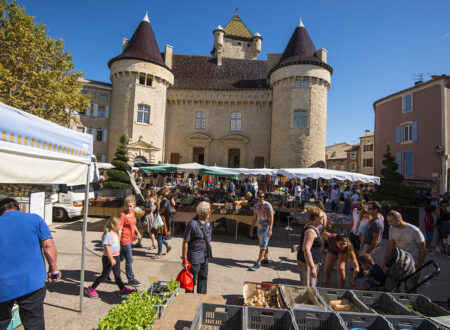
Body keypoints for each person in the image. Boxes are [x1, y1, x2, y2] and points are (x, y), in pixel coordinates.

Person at [0, 198, 61, 329]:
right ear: (19, 208)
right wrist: (53, 269)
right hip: (31, 282)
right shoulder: (34, 219)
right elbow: (48, 245)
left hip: (3, 285)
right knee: (34, 323)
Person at [86, 217, 135, 298]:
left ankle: (122, 289)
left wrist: (119, 233)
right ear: (113, 225)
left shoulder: (114, 233)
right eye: (119, 226)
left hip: (116, 257)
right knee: (104, 275)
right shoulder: (108, 235)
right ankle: (91, 289)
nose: (120, 227)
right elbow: (106, 247)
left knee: (117, 275)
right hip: (108, 258)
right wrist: (111, 258)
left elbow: (118, 242)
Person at [382, 210, 426, 293]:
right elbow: (390, 246)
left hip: (412, 264)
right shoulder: (392, 229)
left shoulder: (414, 230)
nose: (389, 224)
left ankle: (411, 305)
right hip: (398, 264)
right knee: (393, 287)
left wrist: (419, 267)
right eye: (388, 221)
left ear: (398, 220)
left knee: (410, 289)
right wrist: (385, 259)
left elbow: (423, 249)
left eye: (391, 221)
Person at [182, 201, 212, 294]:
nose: (210, 214)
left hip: (204, 256)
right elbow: (185, 242)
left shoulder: (207, 220)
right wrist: (185, 260)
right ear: (202, 213)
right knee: (191, 282)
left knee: (203, 278)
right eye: (208, 212)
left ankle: (201, 299)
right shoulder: (192, 224)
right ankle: (189, 300)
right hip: (194, 258)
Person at [297, 206, 323, 287]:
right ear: (316, 218)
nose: (323, 218)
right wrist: (312, 268)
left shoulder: (314, 227)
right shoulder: (310, 231)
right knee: (309, 287)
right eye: (321, 217)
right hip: (307, 263)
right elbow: (306, 249)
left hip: (312, 261)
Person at [119, 195, 142, 286]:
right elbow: (120, 228)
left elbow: (133, 224)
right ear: (125, 206)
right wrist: (117, 240)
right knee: (129, 259)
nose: (129, 208)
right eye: (127, 206)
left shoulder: (133, 213)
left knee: (119, 258)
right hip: (124, 240)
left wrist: (138, 233)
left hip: (130, 239)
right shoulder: (123, 215)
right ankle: (130, 278)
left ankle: (108, 269)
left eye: (130, 206)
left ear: (134, 206)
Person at [249, 192, 274, 271]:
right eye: (260, 196)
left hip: (266, 228)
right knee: (264, 244)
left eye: (263, 196)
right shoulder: (256, 206)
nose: (262, 198)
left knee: (262, 246)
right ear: (257, 197)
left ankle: (258, 262)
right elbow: (254, 218)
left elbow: (271, 217)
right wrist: (251, 228)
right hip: (259, 228)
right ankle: (266, 259)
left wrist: (270, 229)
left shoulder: (267, 205)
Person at [362, 201, 384, 265]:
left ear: (375, 210)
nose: (367, 210)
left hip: (371, 248)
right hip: (368, 246)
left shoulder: (376, 223)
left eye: (369, 209)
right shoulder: (375, 219)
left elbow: (375, 241)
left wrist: (367, 253)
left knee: (368, 266)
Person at [153, 191, 172, 259]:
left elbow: (160, 211)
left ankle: (159, 253)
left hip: (161, 221)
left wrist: (158, 204)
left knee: (159, 237)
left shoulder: (164, 202)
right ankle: (168, 246)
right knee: (160, 237)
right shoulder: (166, 201)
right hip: (162, 220)